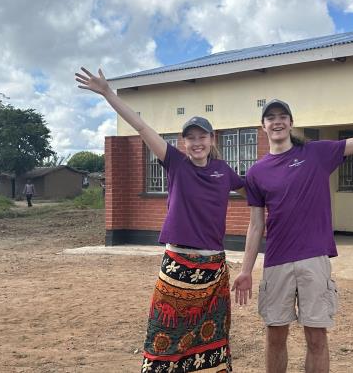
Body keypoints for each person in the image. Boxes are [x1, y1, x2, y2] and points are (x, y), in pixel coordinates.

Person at [232, 75, 353, 373]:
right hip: (277, 262)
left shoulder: (316, 153)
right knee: (275, 337)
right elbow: (256, 226)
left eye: (282, 117)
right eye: (271, 118)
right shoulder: (257, 172)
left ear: (291, 123)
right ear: (263, 126)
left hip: (314, 260)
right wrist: (245, 270)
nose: (277, 122)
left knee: (316, 337)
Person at [75, 67, 244, 373]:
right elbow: (141, 127)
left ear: (211, 138)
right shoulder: (176, 163)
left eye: (202, 136)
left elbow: (257, 189)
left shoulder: (223, 171)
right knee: (164, 334)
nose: (197, 142)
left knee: (212, 337)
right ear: (183, 142)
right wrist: (108, 93)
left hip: (213, 268)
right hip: (178, 264)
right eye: (190, 138)